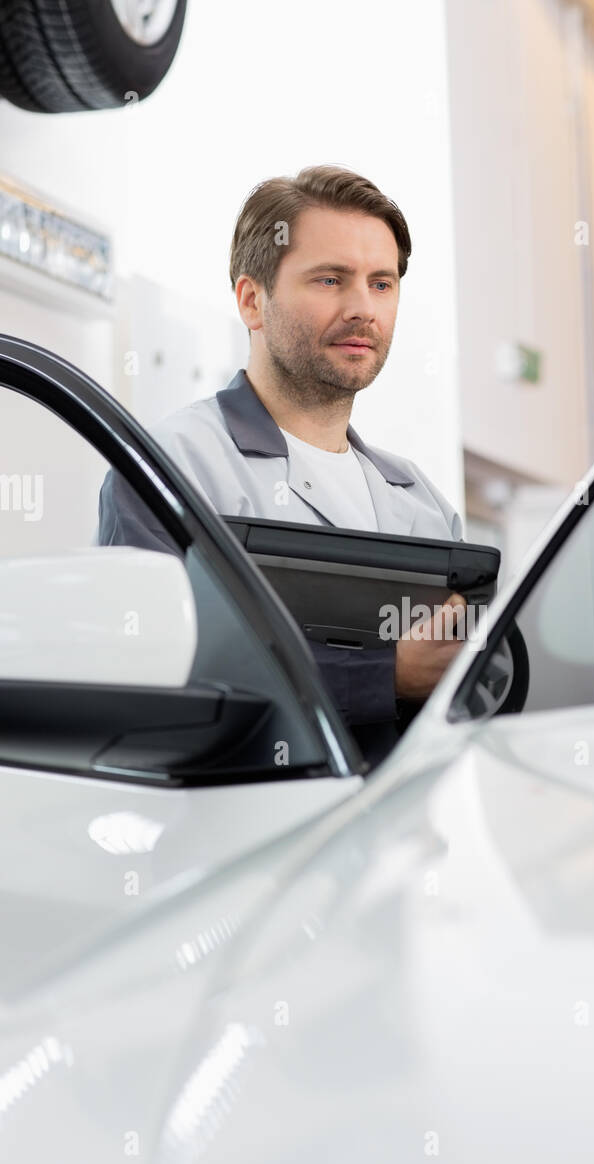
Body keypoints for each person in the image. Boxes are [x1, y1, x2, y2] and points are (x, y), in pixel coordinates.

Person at [99, 165, 468, 765]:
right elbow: (146, 667)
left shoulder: (425, 504)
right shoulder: (171, 467)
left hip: (397, 841)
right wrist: (386, 674)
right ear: (253, 300)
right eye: (330, 280)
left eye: (381, 284)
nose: (362, 310)